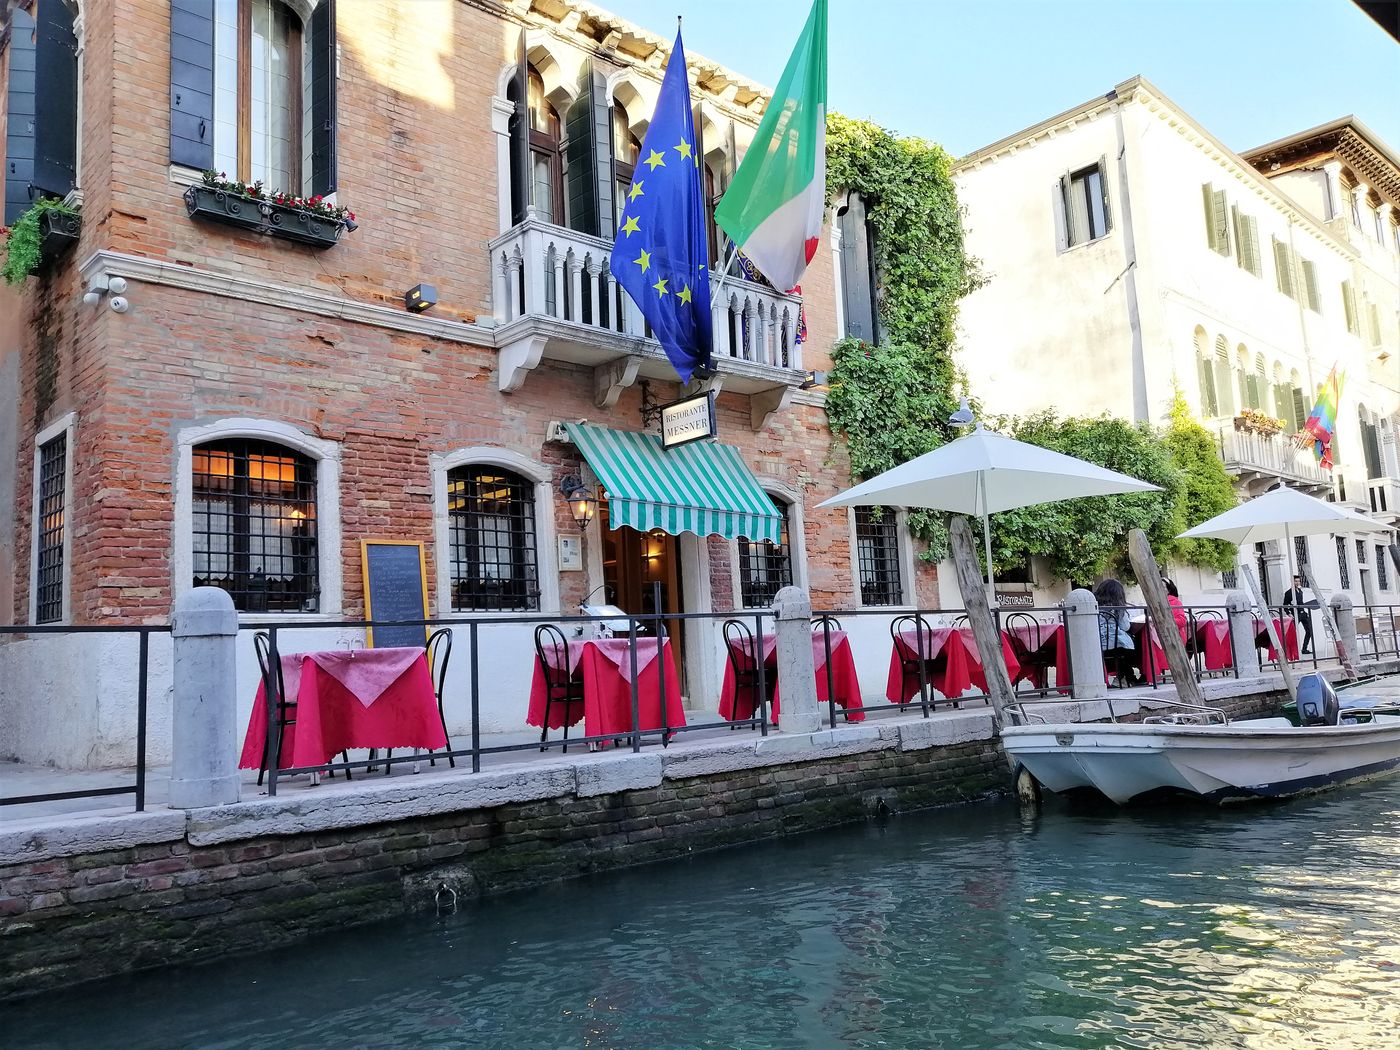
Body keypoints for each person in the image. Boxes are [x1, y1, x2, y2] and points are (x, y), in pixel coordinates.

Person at [1094, 578, 1139, 685]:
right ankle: (1125, 677)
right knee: (1131, 645)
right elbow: (1125, 626)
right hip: (1116, 645)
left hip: (1098, 644)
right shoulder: (1118, 608)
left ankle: (1124, 678)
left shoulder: (1094, 607)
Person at [1283, 574, 1314, 654]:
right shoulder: (1289, 593)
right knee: (1292, 632)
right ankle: (1290, 650)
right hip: (1295, 614)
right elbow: (1285, 605)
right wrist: (1289, 614)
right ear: (1292, 581)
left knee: (1309, 631)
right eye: (1295, 581)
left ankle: (1304, 649)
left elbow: (1300, 602)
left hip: (1303, 613)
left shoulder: (1300, 591)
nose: (1297, 583)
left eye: (1298, 581)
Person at [1163, 577, 1190, 642]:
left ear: (1168, 590)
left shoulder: (1175, 602)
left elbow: (1182, 621)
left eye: (1162, 587)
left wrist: (1164, 621)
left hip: (1174, 637)